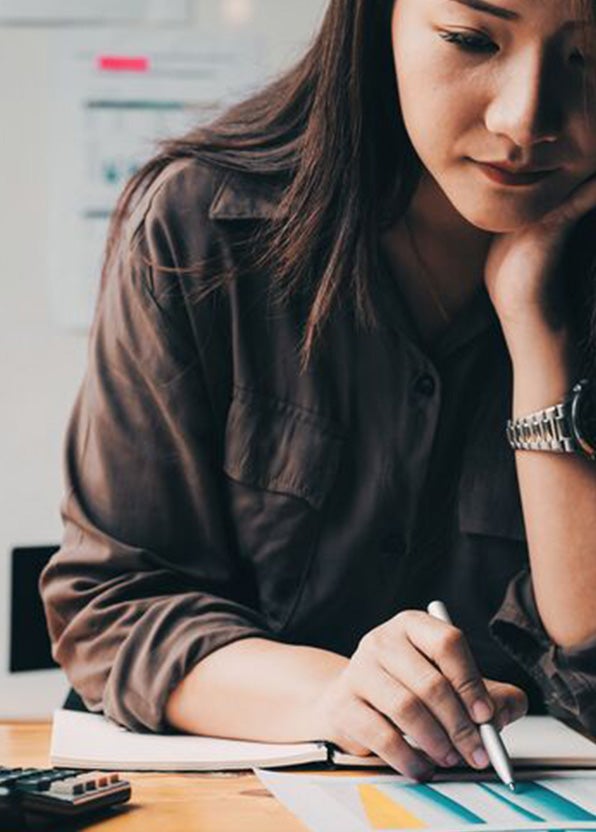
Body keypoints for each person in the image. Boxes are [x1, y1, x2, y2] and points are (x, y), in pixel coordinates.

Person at [41, 0, 596, 782]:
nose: (525, 118)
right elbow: (114, 605)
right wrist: (339, 694)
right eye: (471, 39)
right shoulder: (203, 229)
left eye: (588, 56)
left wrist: (537, 331)